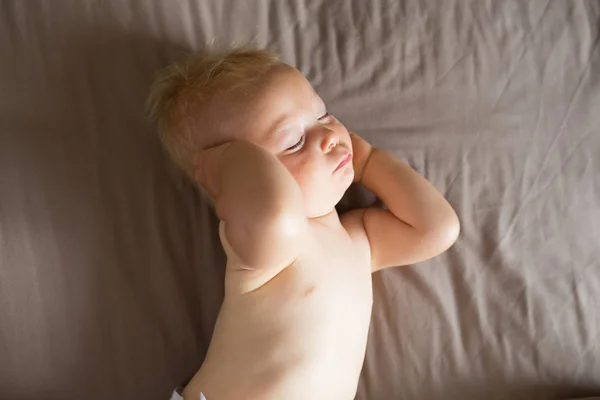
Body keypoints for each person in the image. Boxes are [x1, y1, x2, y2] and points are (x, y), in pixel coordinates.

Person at [147, 46, 460, 400]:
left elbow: (437, 229)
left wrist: (371, 162)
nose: (329, 136)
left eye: (324, 116)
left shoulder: (359, 239)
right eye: (293, 141)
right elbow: (276, 214)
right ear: (230, 177)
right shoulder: (264, 250)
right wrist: (227, 162)